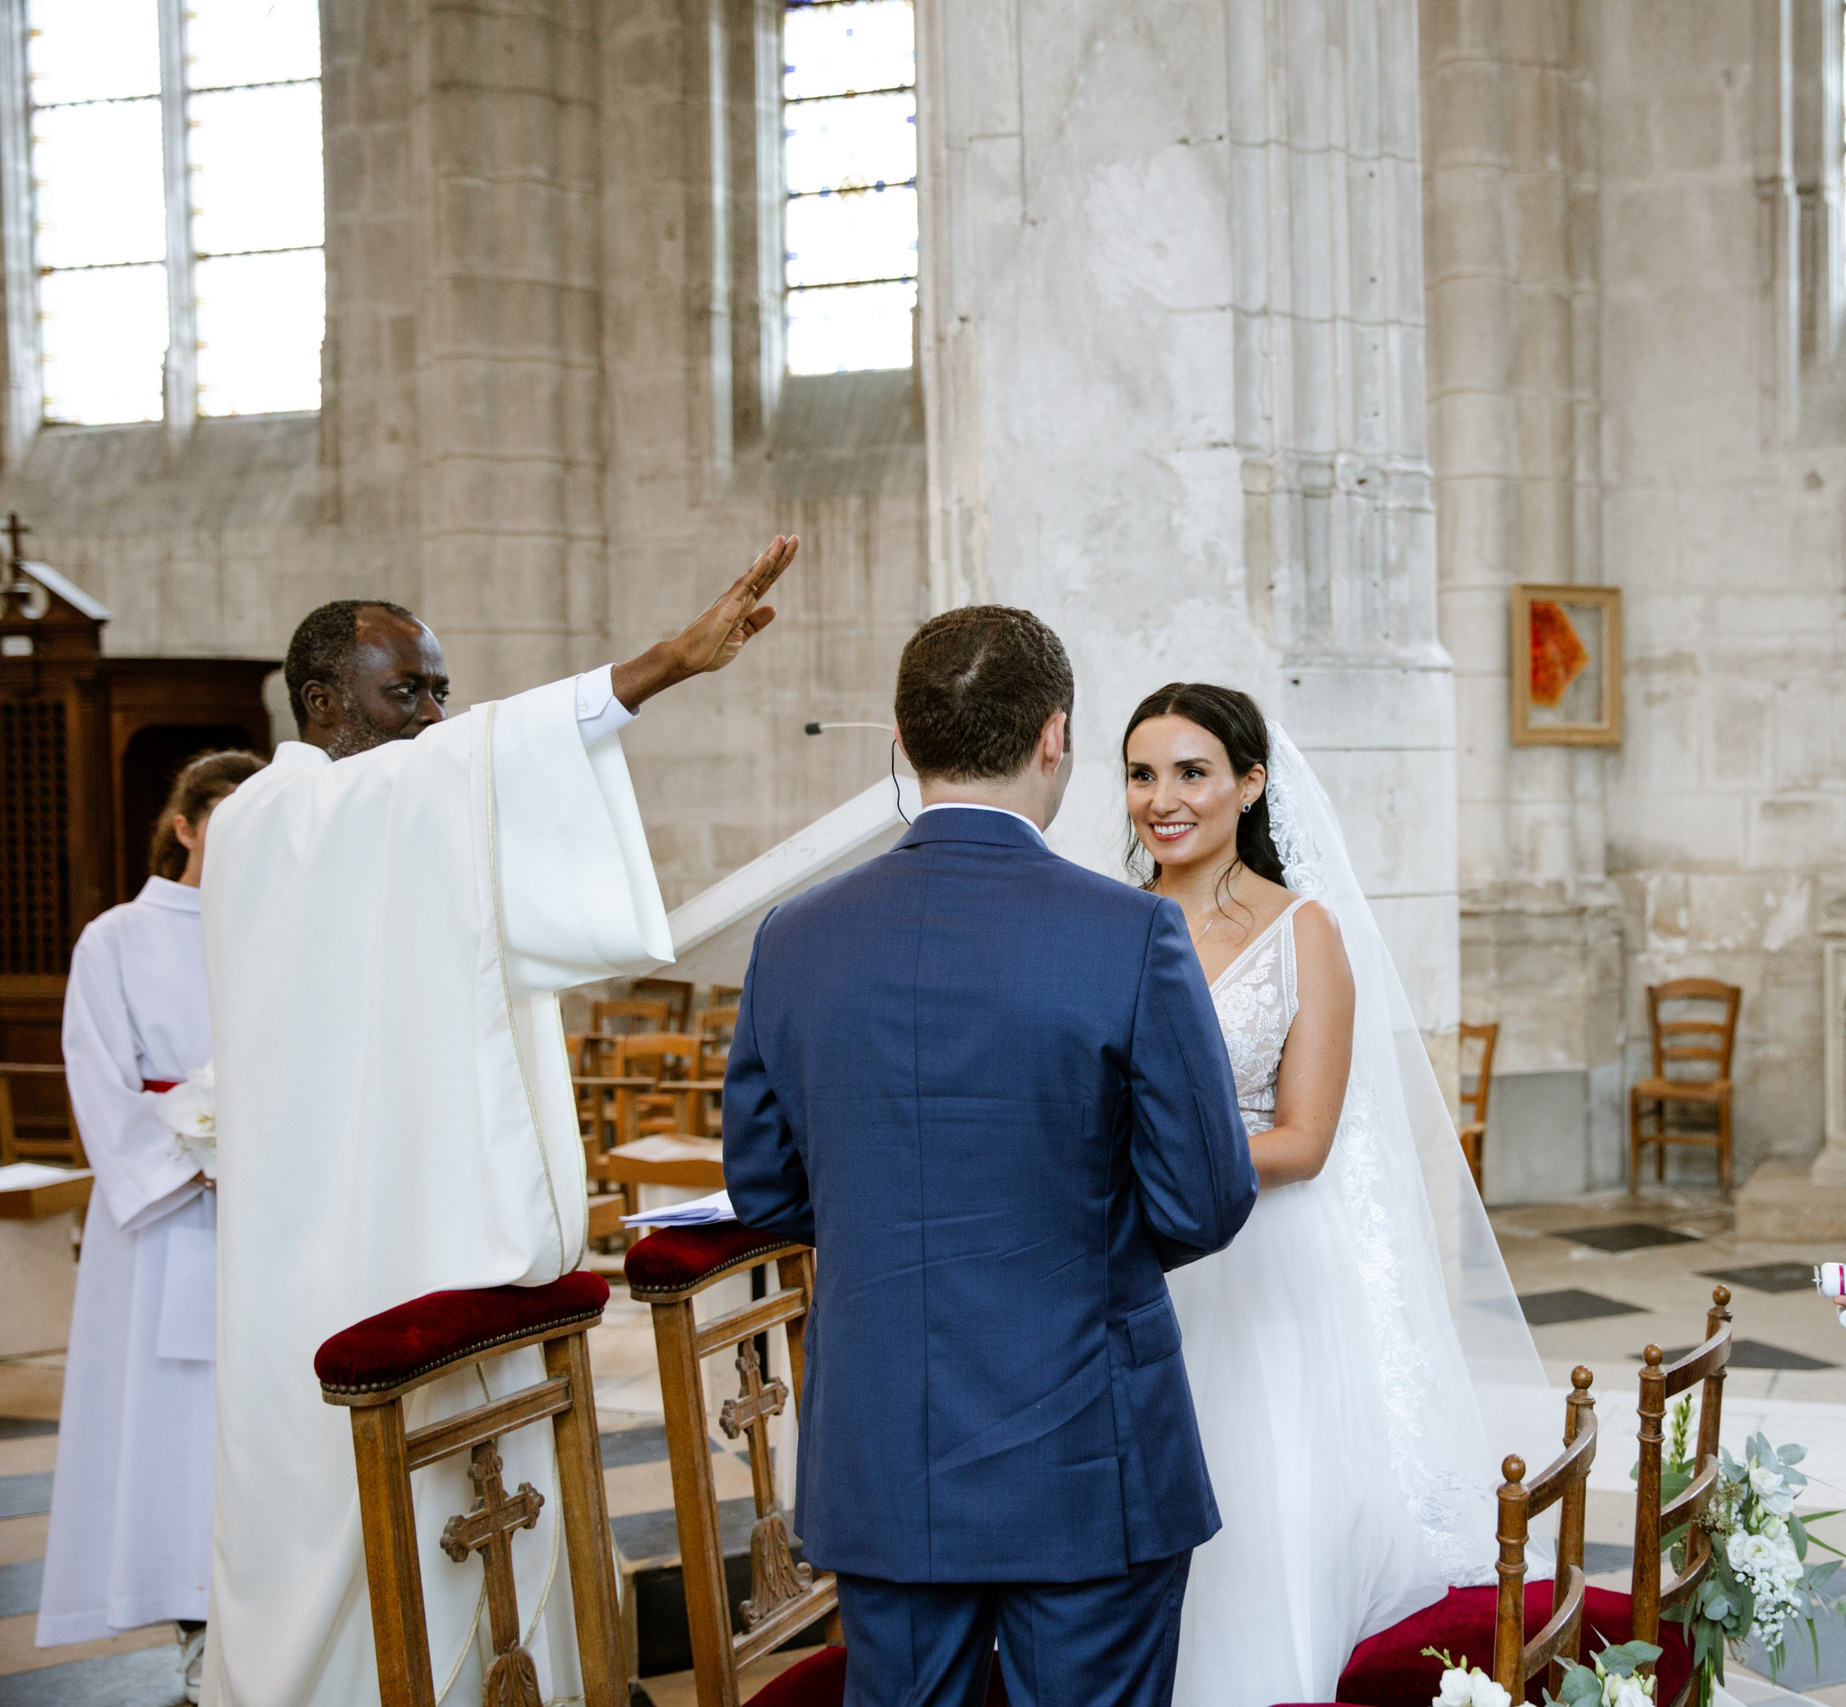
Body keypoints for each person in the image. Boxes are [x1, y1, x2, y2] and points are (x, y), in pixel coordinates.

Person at [197, 536, 796, 1707]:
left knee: (490, 1506)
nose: (434, 717)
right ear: (321, 702)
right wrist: (660, 666)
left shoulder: (387, 825)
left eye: (441, 691)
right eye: (404, 692)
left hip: (435, 1246)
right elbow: (457, 771)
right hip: (323, 1265)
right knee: (340, 1523)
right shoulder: (276, 817)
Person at [721, 607, 1260, 1707]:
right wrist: (1075, 1241)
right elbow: (1203, 1199)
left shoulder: (793, 936)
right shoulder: (1130, 933)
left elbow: (765, 1185)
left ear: (901, 738)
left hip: (884, 1445)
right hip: (1087, 1447)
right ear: (1054, 735)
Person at [1121, 684, 1550, 1706]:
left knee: (1253, 1502)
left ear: (1249, 784)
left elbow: (1306, 1140)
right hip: (1137, 1259)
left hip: (1259, 1256)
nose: (1161, 799)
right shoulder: (1110, 921)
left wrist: (1157, 1155)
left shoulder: (1302, 930)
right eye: (1141, 774)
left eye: (1191, 772)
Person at [38, 750, 264, 1702]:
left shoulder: (282, 927)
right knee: (175, 1433)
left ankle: (274, 1628)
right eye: (229, 819)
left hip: (273, 1214)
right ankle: (195, 1631)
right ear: (185, 826)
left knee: (264, 1424)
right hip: (171, 1213)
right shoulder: (117, 939)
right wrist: (201, 1150)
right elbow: (101, 1081)